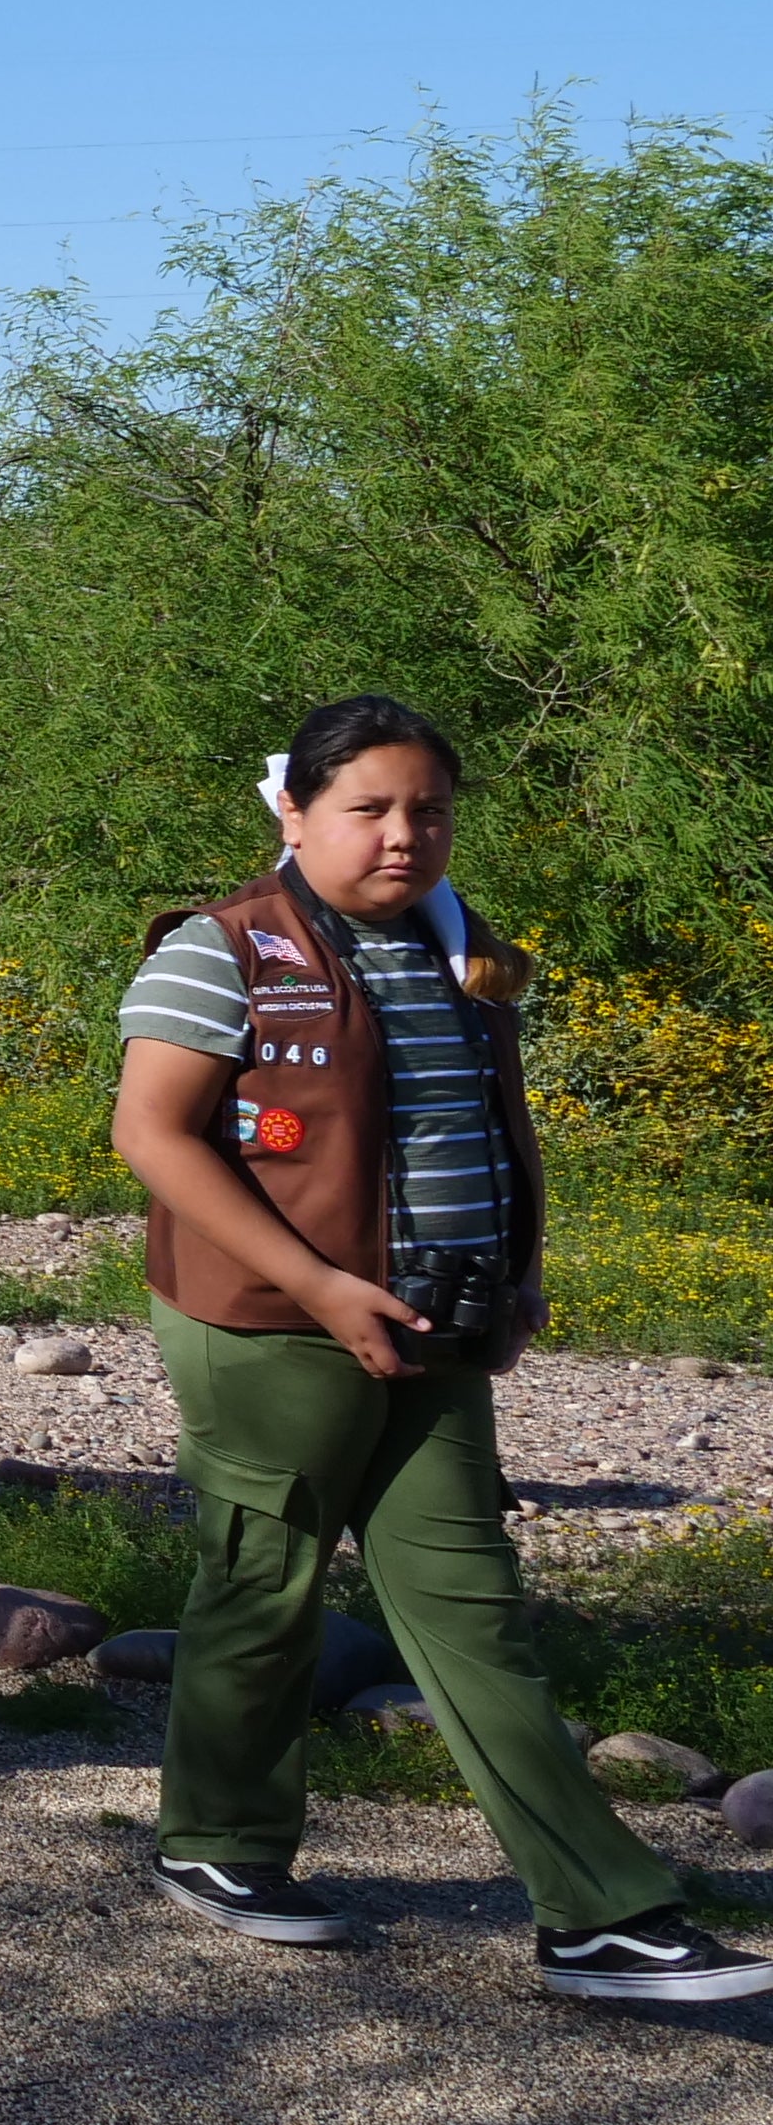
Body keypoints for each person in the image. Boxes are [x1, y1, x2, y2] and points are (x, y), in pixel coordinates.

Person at [113, 695, 766, 2001]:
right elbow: (154, 1134)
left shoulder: (461, 953)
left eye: (430, 810)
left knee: (476, 1620)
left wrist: (518, 1277)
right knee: (263, 1589)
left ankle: (599, 1916)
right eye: (370, 808)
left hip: (439, 1331)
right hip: (272, 1332)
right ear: (294, 812)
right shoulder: (222, 950)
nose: (404, 835)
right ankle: (218, 1846)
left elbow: (490, 1128)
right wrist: (323, 1284)